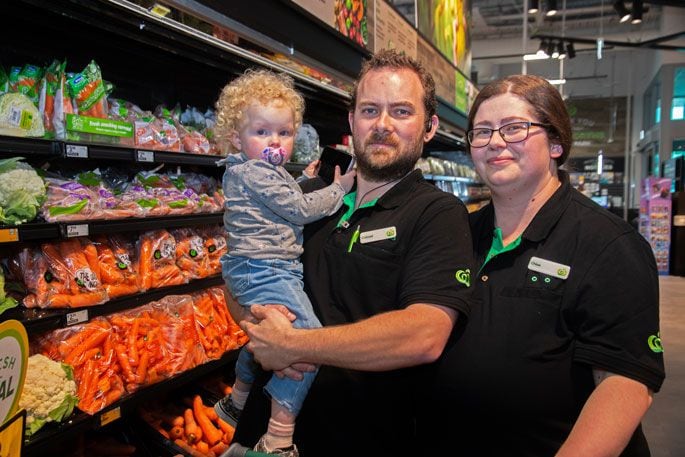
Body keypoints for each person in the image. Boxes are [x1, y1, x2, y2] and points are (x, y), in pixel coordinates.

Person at [228, 49, 475, 457]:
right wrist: (261, 323)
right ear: (351, 121)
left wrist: (297, 345)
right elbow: (238, 280)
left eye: (400, 111)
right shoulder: (307, 197)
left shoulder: (438, 214)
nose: (382, 125)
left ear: (429, 127)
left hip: (357, 438)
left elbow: (424, 334)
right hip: (258, 436)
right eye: (369, 110)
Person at [418, 74, 666, 456]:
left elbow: (626, 386)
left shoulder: (609, 243)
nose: (495, 142)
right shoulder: (458, 234)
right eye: (481, 132)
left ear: (555, 142)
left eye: (514, 128)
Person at [213, 69, 356, 456]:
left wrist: (303, 178)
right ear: (236, 138)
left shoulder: (252, 169)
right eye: (262, 132)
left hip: (257, 268)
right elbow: (297, 208)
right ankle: (278, 436)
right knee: (305, 339)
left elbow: (281, 197)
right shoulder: (258, 170)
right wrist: (338, 190)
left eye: (284, 132)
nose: (274, 141)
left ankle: (237, 399)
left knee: (268, 334)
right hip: (267, 269)